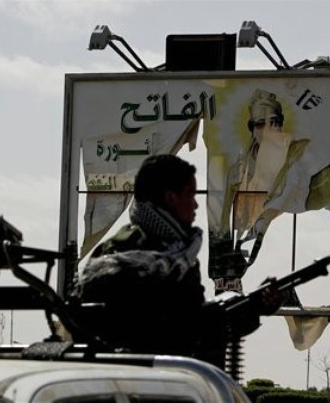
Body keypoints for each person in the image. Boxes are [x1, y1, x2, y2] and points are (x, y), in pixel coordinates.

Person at [77, 154, 283, 368]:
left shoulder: (174, 255)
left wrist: (254, 306)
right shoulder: (136, 258)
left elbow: (190, 324)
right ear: (171, 198)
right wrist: (243, 310)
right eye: (190, 195)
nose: (195, 205)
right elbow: (177, 331)